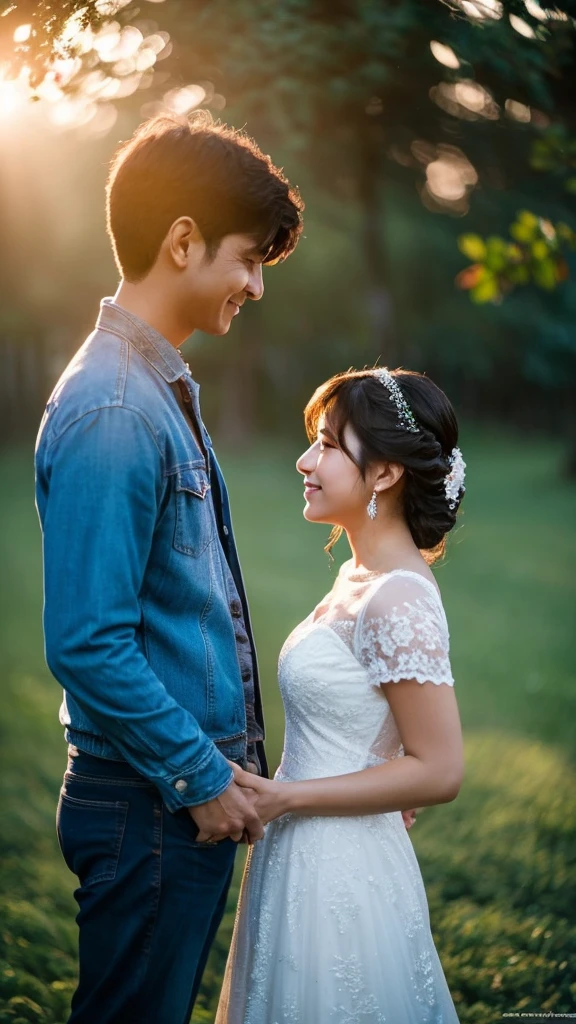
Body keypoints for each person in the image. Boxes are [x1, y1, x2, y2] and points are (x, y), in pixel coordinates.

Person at [34, 111, 303, 1024]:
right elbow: (87, 642)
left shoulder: (153, 386)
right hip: (154, 801)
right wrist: (205, 777)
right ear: (183, 240)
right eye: (249, 258)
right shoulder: (115, 406)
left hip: (172, 799)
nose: (256, 286)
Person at [216, 367, 466, 1024]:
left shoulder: (399, 595)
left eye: (328, 444)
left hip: (342, 873)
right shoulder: (359, 573)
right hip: (299, 850)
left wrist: (286, 796)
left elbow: (439, 770)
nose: (306, 459)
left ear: (384, 473)